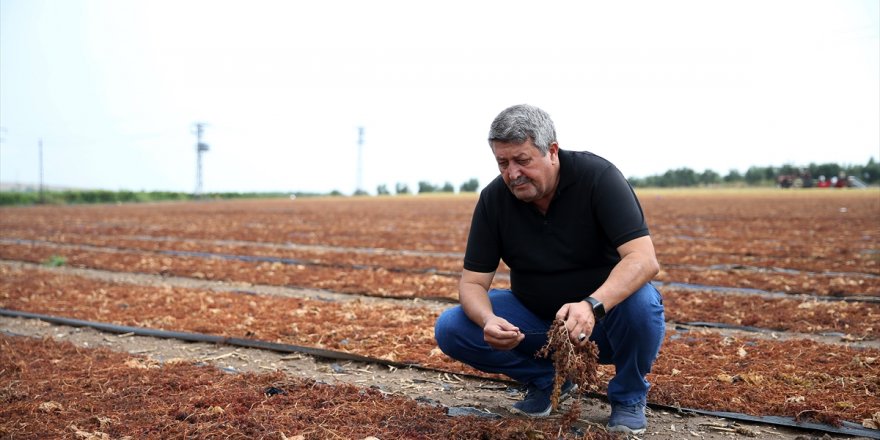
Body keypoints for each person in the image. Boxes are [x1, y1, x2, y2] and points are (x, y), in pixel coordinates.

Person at [434, 104, 666, 435]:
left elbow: (643, 259)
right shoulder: (494, 200)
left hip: (603, 322)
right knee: (452, 326)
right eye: (503, 162)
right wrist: (488, 321)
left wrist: (592, 305)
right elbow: (472, 283)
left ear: (552, 151)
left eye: (522, 160)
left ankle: (628, 396)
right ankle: (549, 381)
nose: (512, 173)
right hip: (536, 325)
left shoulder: (598, 178)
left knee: (642, 303)